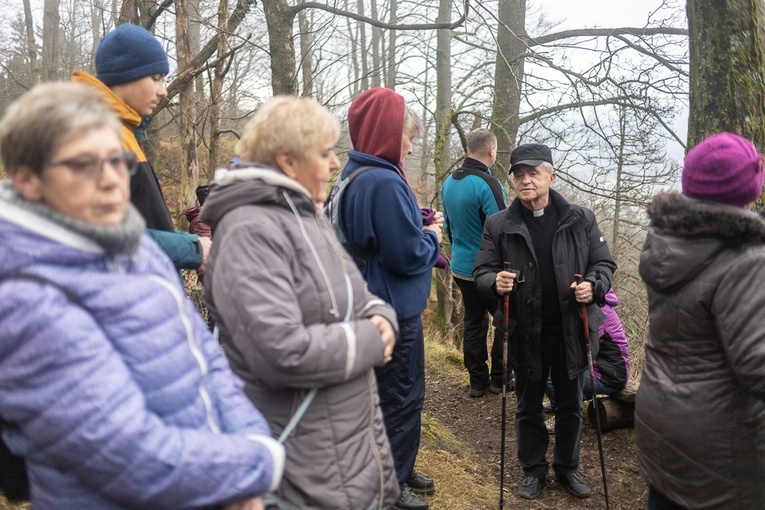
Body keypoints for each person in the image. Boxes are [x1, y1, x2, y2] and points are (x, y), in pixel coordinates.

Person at [0, 82, 284, 510]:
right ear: (27, 179)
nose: (114, 179)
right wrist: (255, 465)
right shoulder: (25, 298)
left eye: (118, 160)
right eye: (84, 165)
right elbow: (124, 454)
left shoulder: (131, 247)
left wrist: (247, 452)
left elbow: (205, 359)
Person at [201, 96, 400, 510]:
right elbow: (281, 353)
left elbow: (358, 297)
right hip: (300, 463)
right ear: (287, 162)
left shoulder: (308, 217)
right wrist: (371, 340)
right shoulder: (250, 231)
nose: (334, 164)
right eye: (324, 153)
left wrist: (383, 317)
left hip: (344, 449)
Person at [473, 142, 616, 501]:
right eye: (519, 175)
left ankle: (568, 468)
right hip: (525, 332)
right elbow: (481, 273)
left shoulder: (581, 219)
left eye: (533, 173)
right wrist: (495, 283)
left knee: (570, 405)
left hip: (572, 329)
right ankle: (533, 470)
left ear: (551, 176)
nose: (525, 181)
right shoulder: (499, 225)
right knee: (527, 405)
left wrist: (592, 286)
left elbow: (605, 265)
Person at [636, 131, 765, 510]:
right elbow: (757, 365)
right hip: (720, 443)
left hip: (661, 422)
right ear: (750, 188)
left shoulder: (666, 238)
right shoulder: (747, 258)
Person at [337, 87, 442, 510]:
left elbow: (376, 234)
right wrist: (431, 239)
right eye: (406, 137)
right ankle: (390, 485)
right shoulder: (383, 180)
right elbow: (405, 254)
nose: (411, 146)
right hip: (393, 309)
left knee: (386, 394)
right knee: (401, 395)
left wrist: (412, 221)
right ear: (387, 131)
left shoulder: (355, 171)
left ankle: (403, 463)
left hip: (368, 300)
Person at [72, 23, 211, 273]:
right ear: (124, 76)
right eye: (155, 78)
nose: (163, 91)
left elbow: (141, 223)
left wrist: (190, 243)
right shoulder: (96, 136)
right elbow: (98, 237)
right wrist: (192, 249)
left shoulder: (121, 133)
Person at [441, 127, 509, 397]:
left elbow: (447, 225)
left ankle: (477, 382)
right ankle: (500, 380)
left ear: (469, 148)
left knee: (473, 321)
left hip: (460, 266)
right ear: (491, 150)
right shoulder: (489, 184)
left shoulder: (449, 182)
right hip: (488, 271)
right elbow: (502, 231)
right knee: (506, 321)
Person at [544, 288, 630, 431]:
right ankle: (556, 404)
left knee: (555, 374)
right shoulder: (598, 305)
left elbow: (583, 347)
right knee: (554, 367)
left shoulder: (599, 311)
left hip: (610, 376)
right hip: (601, 369)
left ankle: (562, 416)